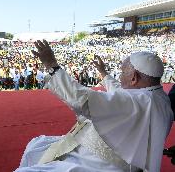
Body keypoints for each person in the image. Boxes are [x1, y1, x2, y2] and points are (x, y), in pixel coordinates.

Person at [15, 40, 174, 172]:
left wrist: (52, 65)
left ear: (134, 77)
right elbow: (119, 94)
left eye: (123, 72)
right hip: (109, 156)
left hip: (97, 164)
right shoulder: (157, 97)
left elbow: (82, 99)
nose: (120, 76)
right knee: (37, 145)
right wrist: (104, 74)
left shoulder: (136, 100)